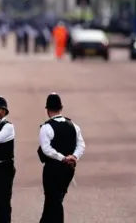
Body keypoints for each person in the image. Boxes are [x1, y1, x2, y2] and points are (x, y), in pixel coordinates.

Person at [37, 93, 86, 223]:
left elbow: (46, 149)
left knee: (54, 201)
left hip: (52, 169)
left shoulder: (46, 127)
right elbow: (81, 144)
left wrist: (62, 158)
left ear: (47, 110)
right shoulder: (74, 126)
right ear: (61, 108)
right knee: (55, 198)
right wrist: (74, 156)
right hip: (69, 169)